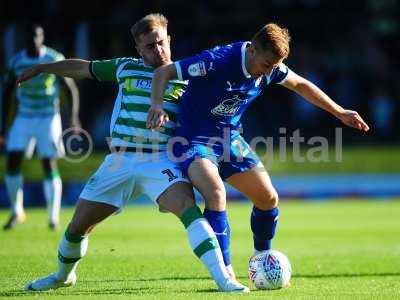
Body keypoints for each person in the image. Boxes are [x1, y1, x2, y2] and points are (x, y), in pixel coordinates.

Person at [17, 14, 249, 293]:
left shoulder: (187, 77)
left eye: (161, 42)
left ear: (169, 39)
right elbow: (84, 69)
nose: (157, 50)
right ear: (138, 50)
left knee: (189, 211)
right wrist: (46, 68)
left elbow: (210, 111)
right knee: (78, 227)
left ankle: (224, 280)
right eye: (149, 46)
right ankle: (62, 276)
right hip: (120, 161)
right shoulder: (125, 68)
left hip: (160, 159)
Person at [147, 23, 370, 265]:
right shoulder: (218, 60)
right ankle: (224, 272)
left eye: (273, 67)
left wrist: (339, 112)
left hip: (228, 139)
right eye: (266, 66)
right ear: (252, 50)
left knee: (268, 199)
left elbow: (301, 85)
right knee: (215, 193)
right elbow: (163, 72)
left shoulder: (271, 68)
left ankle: (262, 259)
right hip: (193, 139)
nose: (267, 73)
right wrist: (157, 105)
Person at [0, 24, 81, 230]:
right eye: (29, 37)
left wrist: (73, 117)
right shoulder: (17, 62)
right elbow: (7, 91)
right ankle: (17, 211)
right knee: (12, 161)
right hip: (24, 115)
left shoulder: (52, 58)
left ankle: (53, 217)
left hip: (48, 116)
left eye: (37, 36)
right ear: (24, 40)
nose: (33, 40)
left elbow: (69, 88)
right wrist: (3, 125)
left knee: (48, 163)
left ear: (42, 38)